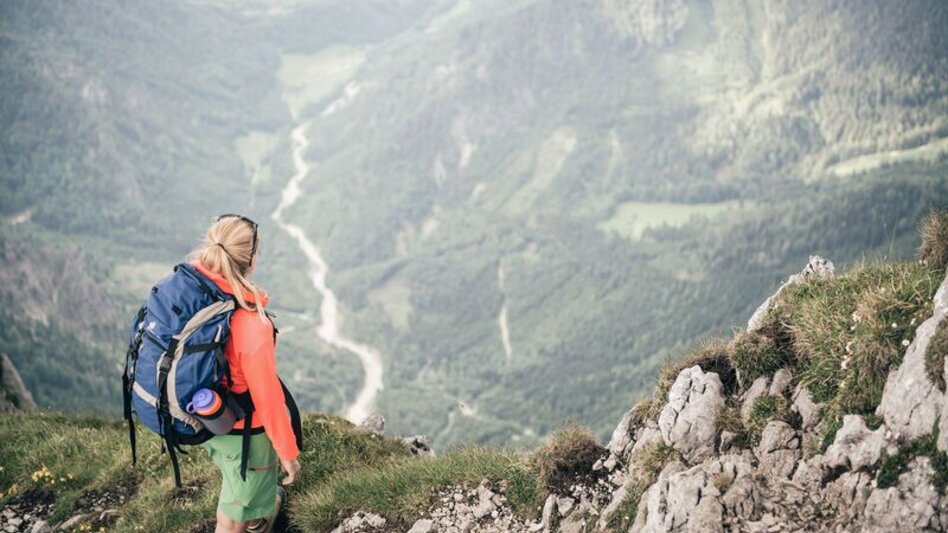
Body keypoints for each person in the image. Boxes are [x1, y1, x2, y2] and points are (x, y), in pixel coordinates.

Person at [190, 214, 301, 533]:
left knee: (237, 485)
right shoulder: (252, 326)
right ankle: (248, 520)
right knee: (232, 515)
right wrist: (287, 452)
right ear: (250, 262)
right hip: (242, 431)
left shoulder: (197, 298)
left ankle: (255, 516)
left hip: (207, 418)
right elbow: (267, 400)